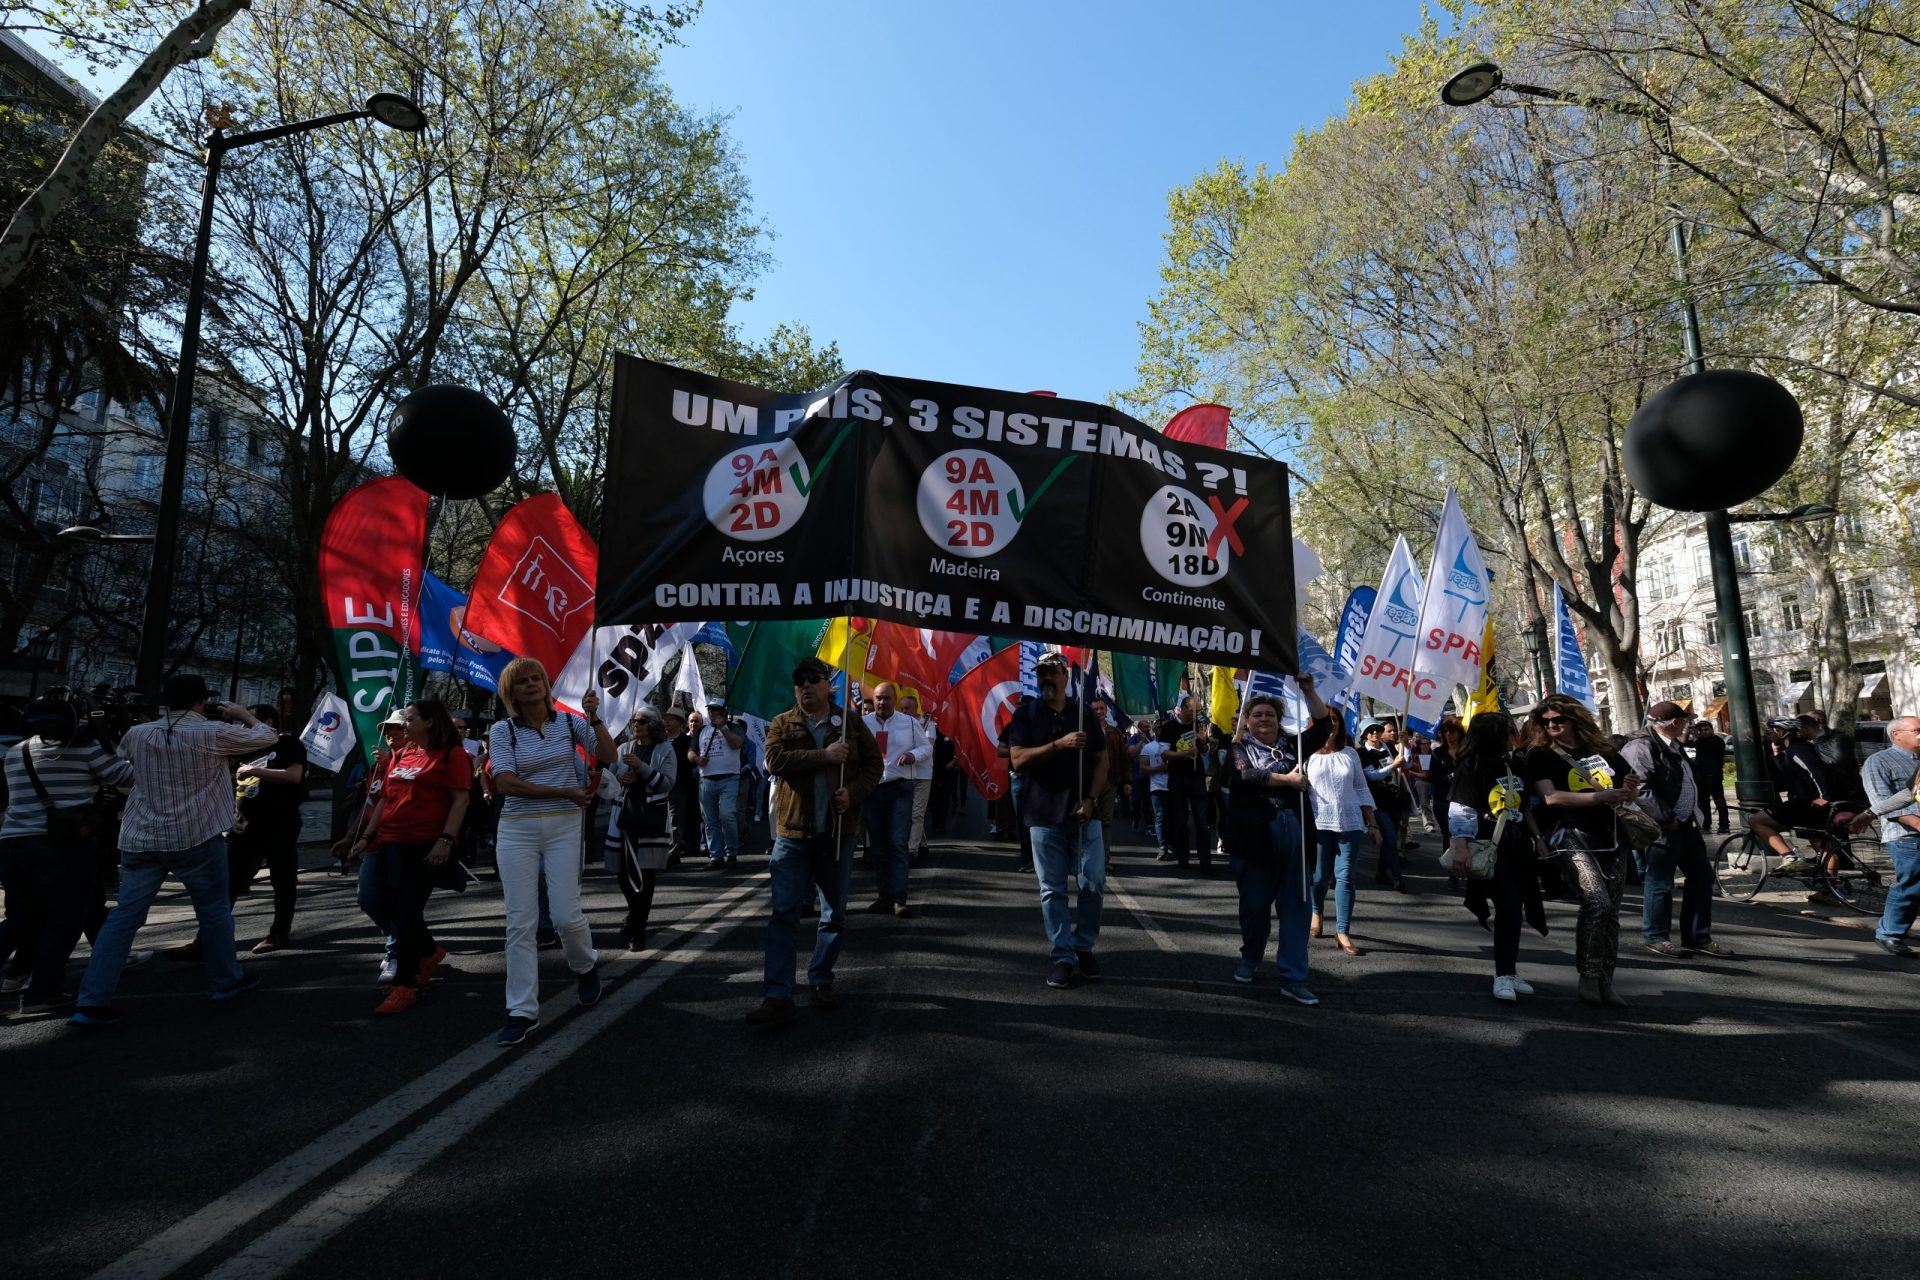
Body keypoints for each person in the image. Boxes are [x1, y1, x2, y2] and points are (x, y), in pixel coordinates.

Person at [67, 675, 278, 1027]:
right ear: (200, 701)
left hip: (140, 836)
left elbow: (123, 766)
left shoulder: (139, 733)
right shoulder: (211, 732)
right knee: (212, 910)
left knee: (124, 918)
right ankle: (226, 980)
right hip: (197, 834)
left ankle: (92, 1000)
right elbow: (268, 737)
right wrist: (245, 714)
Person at [485, 658, 615, 1048]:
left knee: (564, 914)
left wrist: (594, 718)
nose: (531, 685)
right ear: (512, 692)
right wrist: (564, 791)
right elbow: (506, 782)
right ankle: (521, 1010)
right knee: (520, 922)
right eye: (522, 682)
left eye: (536, 678)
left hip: (564, 828)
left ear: (546, 683)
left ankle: (585, 964)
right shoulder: (501, 731)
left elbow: (608, 756)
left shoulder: (571, 723)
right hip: (517, 830)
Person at [750, 655, 882, 1025]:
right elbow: (774, 760)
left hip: (838, 834)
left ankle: (821, 977)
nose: (806, 686)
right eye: (800, 681)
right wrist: (823, 755)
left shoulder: (850, 724)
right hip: (794, 833)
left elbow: (874, 765)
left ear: (829, 684)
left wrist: (852, 793)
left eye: (813, 679)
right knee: (784, 913)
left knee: (834, 914)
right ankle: (777, 995)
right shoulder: (782, 722)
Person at [0, 695, 134, 1013]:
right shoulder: (86, 749)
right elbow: (128, 778)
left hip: (12, 843)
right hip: (62, 846)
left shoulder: (18, 752)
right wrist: (112, 743)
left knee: (20, 919)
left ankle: (22, 981)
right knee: (64, 919)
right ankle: (41, 993)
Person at [348, 699, 470, 1015]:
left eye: (410, 719)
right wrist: (365, 837)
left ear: (430, 722)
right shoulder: (401, 754)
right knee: (381, 902)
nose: (403, 725)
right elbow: (387, 800)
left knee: (405, 910)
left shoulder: (452, 755)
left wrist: (445, 840)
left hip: (426, 845)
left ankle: (404, 986)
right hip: (390, 843)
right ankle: (428, 952)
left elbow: (460, 801)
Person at [1522, 694, 1642, 1008]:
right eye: (1545, 722)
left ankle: (1606, 980)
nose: (1551, 726)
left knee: (1612, 913)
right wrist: (1602, 798)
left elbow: (1629, 792)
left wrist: (1630, 788)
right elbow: (1550, 798)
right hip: (1568, 835)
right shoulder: (1541, 755)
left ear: (1574, 719)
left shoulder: (1604, 750)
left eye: (1557, 720)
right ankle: (1588, 975)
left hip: (1611, 837)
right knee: (1597, 903)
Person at [1006, 650, 1109, 989]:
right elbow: (1017, 760)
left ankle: (1085, 946)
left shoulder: (1084, 715)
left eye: (1053, 672)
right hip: (1043, 815)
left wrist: (1092, 800)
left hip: (1083, 816)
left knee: (1092, 882)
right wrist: (1059, 745)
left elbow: (1101, 762)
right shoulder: (1025, 715)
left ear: (1066, 676)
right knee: (1052, 890)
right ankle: (1062, 955)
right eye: (1041, 673)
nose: (1046, 678)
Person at [1225, 683, 1331, 1003]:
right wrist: (1288, 780)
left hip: (1296, 834)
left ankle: (1293, 977)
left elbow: (1324, 725)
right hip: (1253, 838)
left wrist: (1310, 691)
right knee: (1255, 907)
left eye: (1270, 714)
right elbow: (1245, 776)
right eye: (1256, 714)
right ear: (1247, 720)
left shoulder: (1295, 745)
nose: (1263, 719)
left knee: (1296, 907)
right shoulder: (1237, 748)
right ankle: (1251, 956)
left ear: (1279, 717)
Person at [1445, 711, 1547, 1001]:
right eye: (1507, 730)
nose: (1512, 735)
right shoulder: (1471, 766)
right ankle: (1503, 975)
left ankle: (1510, 970)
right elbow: (1460, 809)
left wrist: (1538, 838)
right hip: (1489, 846)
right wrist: (1461, 847)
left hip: (1518, 846)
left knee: (1516, 909)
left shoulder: (1512, 763)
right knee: (1510, 906)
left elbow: (1524, 804)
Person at [1622, 702, 1732, 959]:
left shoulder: (1673, 745)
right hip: (1663, 825)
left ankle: (1697, 937)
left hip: (1685, 823)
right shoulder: (1641, 746)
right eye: (1684, 720)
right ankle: (1656, 937)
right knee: (1660, 882)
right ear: (1674, 723)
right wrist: (1666, 817)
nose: (1687, 724)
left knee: (1702, 878)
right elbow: (1640, 789)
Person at [225, 705, 308, 955]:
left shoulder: (288, 744)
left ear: (267, 722)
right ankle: (206, 939)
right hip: (243, 827)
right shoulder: (246, 748)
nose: (241, 729)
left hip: (278, 826)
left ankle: (279, 933)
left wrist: (255, 770)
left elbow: (294, 776)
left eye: (245, 723)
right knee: (226, 882)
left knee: (282, 881)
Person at [1304, 714, 1375, 956]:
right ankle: (1316, 910)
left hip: (1350, 822)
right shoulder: (1306, 755)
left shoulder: (1350, 754)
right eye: (1327, 720)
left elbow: (1361, 787)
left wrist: (1373, 823)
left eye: (1335, 719)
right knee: (1320, 876)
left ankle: (1342, 930)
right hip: (1318, 824)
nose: (1331, 724)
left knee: (1345, 876)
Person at [609, 706, 676, 953]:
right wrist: (619, 778)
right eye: (634, 720)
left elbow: (667, 783)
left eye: (642, 721)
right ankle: (635, 913)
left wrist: (642, 770)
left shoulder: (665, 749)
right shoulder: (624, 749)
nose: (636, 724)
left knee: (646, 874)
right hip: (625, 816)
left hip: (650, 818)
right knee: (622, 871)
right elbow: (612, 777)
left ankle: (639, 928)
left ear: (653, 725)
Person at [862, 681, 931, 916]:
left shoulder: (910, 724)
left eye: (887, 698)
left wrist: (913, 755)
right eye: (879, 698)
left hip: (899, 790)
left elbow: (926, 748)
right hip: (872, 791)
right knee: (878, 847)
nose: (882, 702)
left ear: (895, 699)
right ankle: (884, 896)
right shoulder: (863, 724)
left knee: (897, 844)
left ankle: (899, 899)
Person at [1855, 715, 1920, 958]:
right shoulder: (1879, 761)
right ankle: (1890, 934)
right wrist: (1916, 822)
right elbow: (1884, 801)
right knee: (1912, 886)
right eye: (1917, 730)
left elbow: (1909, 794)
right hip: (1906, 836)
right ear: (1897, 735)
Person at [1754, 714, 1838, 880]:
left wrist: (1824, 797)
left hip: (1807, 803)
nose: (1769, 735)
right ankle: (1830, 889)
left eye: (1771, 731)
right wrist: (1777, 755)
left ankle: (1790, 857)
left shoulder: (1797, 750)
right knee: (1821, 845)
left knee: (1756, 820)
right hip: (1808, 803)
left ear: (1781, 731)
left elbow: (1817, 772)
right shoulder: (1794, 749)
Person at [690, 698, 745, 871]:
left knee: (727, 815)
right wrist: (698, 759)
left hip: (729, 778)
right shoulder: (702, 731)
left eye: (715, 710)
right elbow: (691, 752)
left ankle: (732, 853)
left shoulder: (735, 727)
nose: (712, 713)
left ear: (723, 712)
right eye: (710, 710)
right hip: (706, 780)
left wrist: (723, 729)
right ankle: (715, 855)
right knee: (710, 820)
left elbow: (737, 744)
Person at [1159, 697, 1214, 872]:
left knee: (1202, 822)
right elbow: (1164, 754)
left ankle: (1205, 861)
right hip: (1177, 778)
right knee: (1180, 821)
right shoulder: (1168, 727)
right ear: (1183, 709)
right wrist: (1184, 754)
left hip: (1196, 778)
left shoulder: (1199, 725)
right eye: (1194, 710)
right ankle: (1183, 858)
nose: (1197, 714)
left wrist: (1203, 742)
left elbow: (1205, 751)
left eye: (1199, 710)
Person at [1358, 721, 1409, 890]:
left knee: (1390, 838)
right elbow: (1372, 775)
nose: (1375, 733)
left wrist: (1404, 744)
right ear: (1365, 734)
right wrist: (1393, 766)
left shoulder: (1388, 747)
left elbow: (1406, 763)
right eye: (1370, 730)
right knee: (1390, 838)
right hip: (1376, 803)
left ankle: (1381, 872)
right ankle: (1398, 878)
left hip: (1394, 800)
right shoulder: (1362, 753)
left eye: (1378, 730)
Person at [1089, 697, 1132, 854]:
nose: (1099, 712)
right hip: (1090, 782)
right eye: (1096, 709)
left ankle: (1105, 857)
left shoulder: (1115, 733)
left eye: (1102, 709)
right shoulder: (1085, 731)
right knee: (1089, 820)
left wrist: (1127, 781)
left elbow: (1123, 758)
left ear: (1106, 711)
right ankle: (1091, 856)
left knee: (1106, 820)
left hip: (1110, 781)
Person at [900, 691, 936, 860]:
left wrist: (912, 754)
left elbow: (928, 749)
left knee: (916, 814)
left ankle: (911, 850)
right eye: (902, 708)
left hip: (922, 775)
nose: (904, 711)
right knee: (909, 813)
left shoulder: (928, 724)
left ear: (916, 709)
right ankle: (922, 844)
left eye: (907, 708)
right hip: (906, 774)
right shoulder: (901, 725)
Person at [664, 707, 700, 867]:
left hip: (679, 786)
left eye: (671, 719)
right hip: (659, 785)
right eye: (666, 718)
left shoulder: (687, 742)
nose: (667, 722)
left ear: (680, 723)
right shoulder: (659, 741)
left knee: (675, 820)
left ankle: (673, 852)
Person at [1688, 719, 1729, 834]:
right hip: (1700, 776)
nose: (1703, 732)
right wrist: (1688, 731)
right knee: (1703, 802)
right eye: (1701, 730)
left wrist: (1695, 734)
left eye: (1706, 729)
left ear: (1712, 729)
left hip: (1713, 776)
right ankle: (1706, 824)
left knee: (1719, 800)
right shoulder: (1700, 740)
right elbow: (1683, 742)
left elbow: (1699, 745)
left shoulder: (1717, 741)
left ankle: (1724, 825)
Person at [1140, 720, 1173, 859]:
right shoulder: (1149, 747)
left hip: (1173, 786)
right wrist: (1160, 768)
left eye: (1164, 727)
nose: (1161, 730)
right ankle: (1162, 847)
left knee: (1173, 817)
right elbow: (1143, 768)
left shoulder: (1173, 746)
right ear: (1154, 729)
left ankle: (1173, 844)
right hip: (1157, 787)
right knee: (1160, 816)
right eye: (1159, 727)